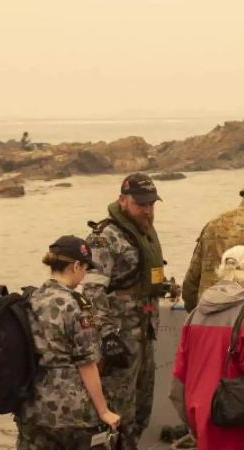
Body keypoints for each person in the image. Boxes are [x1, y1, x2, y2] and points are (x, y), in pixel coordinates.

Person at [82, 173, 167, 450]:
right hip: (118, 343)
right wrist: (107, 336)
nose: (147, 210)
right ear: (122, 200)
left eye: (151, 204)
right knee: (118, 414)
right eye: (141, 204)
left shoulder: (144, 232)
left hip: (144, 337)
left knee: (142, 410)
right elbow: (92, 291)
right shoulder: (104, 238)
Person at [170, 245, 244, 450]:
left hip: (199, 415)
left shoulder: (195, 315)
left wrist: (192, 420)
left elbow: (178, 380)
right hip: (234, 420)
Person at [16, 235, 121, 449]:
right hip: (72, 413)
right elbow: (87, 364)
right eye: (84, 269)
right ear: (76, 266)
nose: (83, 277)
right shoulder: (76, 306)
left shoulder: (29, 300)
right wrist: (103, 411)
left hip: (31, 408)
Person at [182, 171, 244, 312]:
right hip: (239, 321)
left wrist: (198, 313)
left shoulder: (213, 224)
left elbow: (190, 282)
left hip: (205, 312)